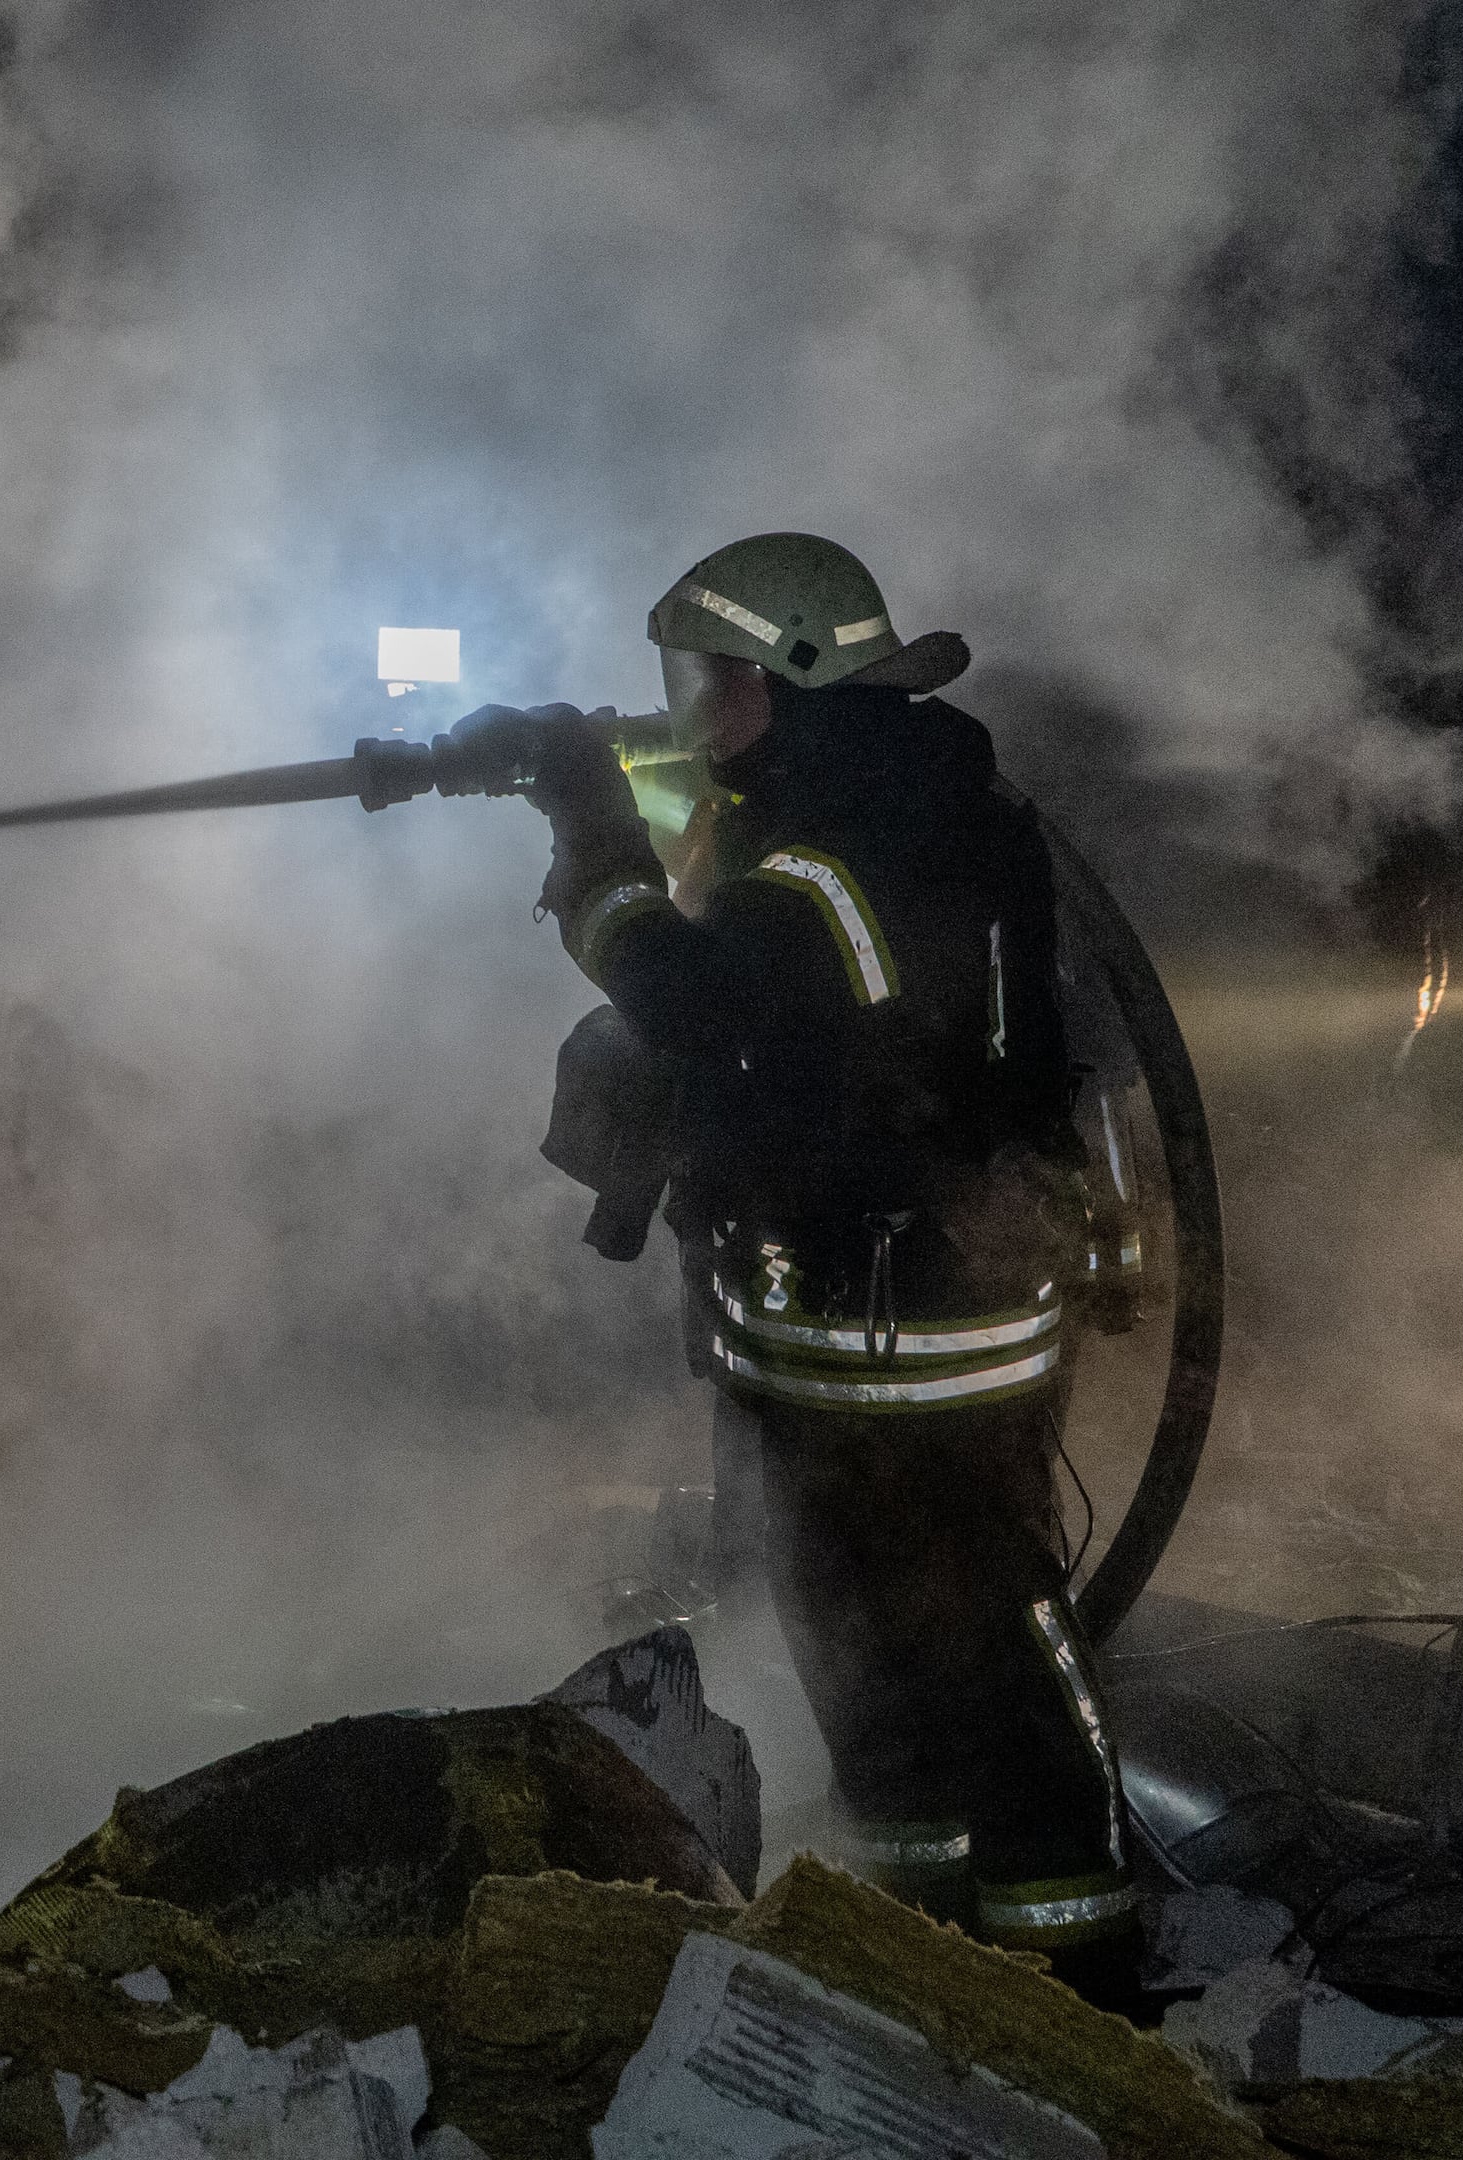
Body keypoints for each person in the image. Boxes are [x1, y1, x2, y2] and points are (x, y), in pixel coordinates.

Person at [428, 533, 1140, 1996]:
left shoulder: (848, 847)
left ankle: (1078, 1986)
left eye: (706, 678)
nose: (686, 706)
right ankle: (921, 1945)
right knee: (867, 1668)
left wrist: (589, 831)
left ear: (785, 677)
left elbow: (684, 991)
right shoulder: (869, 790)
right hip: (834, 1331)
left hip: (914, 1341)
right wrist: (558, 756)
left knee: (988, 1667)